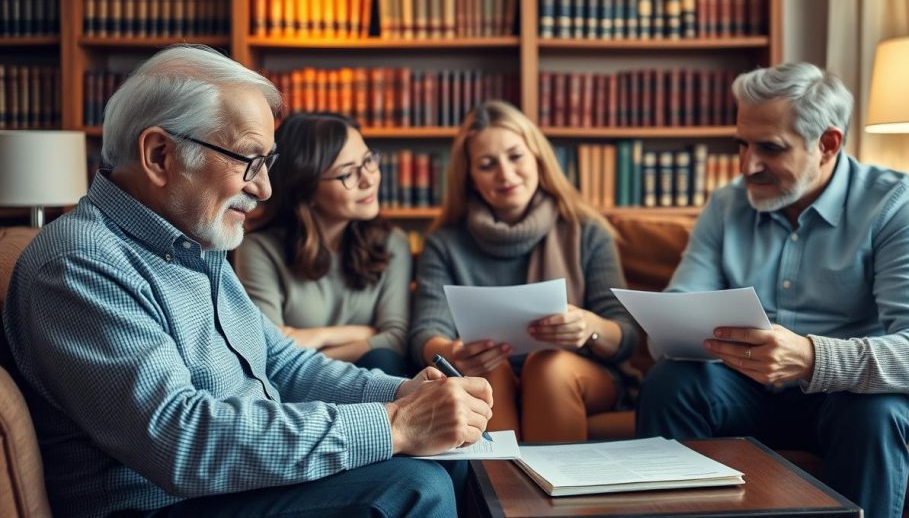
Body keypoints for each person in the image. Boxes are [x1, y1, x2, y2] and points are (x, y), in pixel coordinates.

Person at [1, 45, 493, 518]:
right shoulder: (77, 266)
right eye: (247, 160)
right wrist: (394, 425)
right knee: (415, 488)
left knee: (446, 462)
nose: (264, 188)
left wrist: (403, 394)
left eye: (268, 162)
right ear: (159, 155)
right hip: (158, 505)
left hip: (225, 489)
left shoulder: (194, 244)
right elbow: (182, 439)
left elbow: (281, 364)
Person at [636, 62, 909, 518]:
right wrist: (670, 329)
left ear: (827, 144)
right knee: (669, 384)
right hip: (743, 389)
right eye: (741, 144)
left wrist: (810, 358)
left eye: (769, 148)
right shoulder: (727, 205)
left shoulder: (900, 204)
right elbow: (671, 315)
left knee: (874, 410)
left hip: (846, 397)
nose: (747, 166)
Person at [409, 99, 640, 443]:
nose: (505, 174)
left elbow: (626, 336)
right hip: (491, 372)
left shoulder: (588, 232)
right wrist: (452, 351)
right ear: (470, 176)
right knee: (486, 371)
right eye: (487, 164)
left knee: (547, 366)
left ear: (538, 157)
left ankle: (559, 492)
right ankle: (506, 495)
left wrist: (588, 327)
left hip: (580, 373)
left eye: (515, 156)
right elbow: (426, 333)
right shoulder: (445, 244)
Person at [235, 113, 410, 377]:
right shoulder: (259, 248)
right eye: (347, 173)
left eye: (368, 161)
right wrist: (364, 334)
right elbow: (268, 351)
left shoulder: (392, 242)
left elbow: (396, 339)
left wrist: (314, 337)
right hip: (297, 389)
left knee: (383, 359)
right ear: (306, 189)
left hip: (374, 379)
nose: (369, 179)